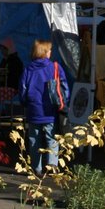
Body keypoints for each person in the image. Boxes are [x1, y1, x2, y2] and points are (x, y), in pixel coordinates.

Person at [18, 39, 68, 175]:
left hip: (34, 110)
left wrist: (24, 103)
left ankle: (37, 168)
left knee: (34, 139)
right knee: (51, 138)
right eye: (49, 50)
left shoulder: (28, 69)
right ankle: (52, 166)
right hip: (50, 110)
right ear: (46, 53)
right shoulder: (55, 67)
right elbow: (64, 88)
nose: (51, 52)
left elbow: (22, 90)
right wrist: (64, 104)